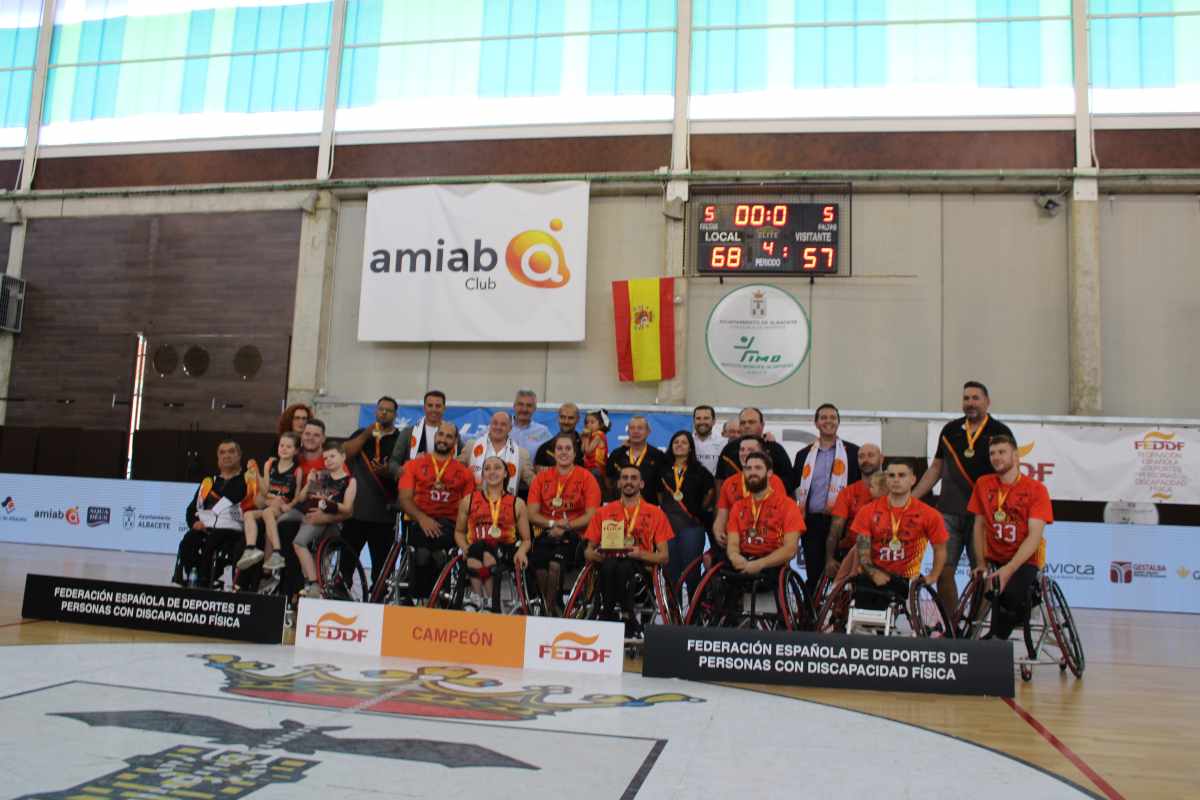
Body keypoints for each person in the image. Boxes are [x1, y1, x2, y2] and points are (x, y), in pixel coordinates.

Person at [913, 380, 1015, 613]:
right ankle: (951, 624)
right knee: (943, 568)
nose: (970, 403)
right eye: (966, 398)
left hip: (984, 514)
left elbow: (1010, 471)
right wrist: (912, 499)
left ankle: (975, 627)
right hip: (948, 511)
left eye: (975, 398)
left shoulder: (1000, 432)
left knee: (982, 571)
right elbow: (936, 469)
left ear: (987, 402)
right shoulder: (950, 430)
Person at [968, 435, 1053, 642]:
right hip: (995, 557)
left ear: (1016, 456)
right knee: (984, 594)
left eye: (1002, 452)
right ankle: (972, 639)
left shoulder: (1036, 489)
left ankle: (996, 639)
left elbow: (1035, 536)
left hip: (1025, 559)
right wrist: (980, 562)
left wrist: (1010, 569)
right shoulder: (983, 484)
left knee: (1009, 596)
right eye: (992, 453)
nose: (996, 457)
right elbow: (979, 526)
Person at [850, 459, 948, 617]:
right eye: (891, 475)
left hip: (907, 578)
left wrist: (933, 576)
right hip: (873, 573)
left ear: (913, 479)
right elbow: (862, 551)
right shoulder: (867, 511)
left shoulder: (929, 514)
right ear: (886, 479)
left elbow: (940, 548)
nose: (896, 480)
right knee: (863, 594)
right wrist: (873, 573)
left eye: (902, 475)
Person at [584, 465, 672, 636]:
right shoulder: (603, 512)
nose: (628, 482)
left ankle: (612, 613)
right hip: (608, 569)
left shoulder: (656, 513)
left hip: (639, 571)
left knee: (623, 566)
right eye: (624, 478)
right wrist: (600, 554)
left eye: (633, 478)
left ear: (642, 484)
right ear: (618, 484)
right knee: (611, 564)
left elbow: (664, 556)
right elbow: (588, 551)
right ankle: (619, 614)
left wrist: (641, 554)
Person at [397, 420, 475, 599]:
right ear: (435, 436)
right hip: (418, 520)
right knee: (423, 554)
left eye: (449, 436)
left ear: (455, 442)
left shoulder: (465, 473)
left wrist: (459, 531)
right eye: (441, 434)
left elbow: (467, 508)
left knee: (438, 554)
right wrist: (422, 519)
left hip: (448, 525)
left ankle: (438, 599)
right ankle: (420, 599)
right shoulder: (413, 465)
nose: (443, 439)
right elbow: (405, 498)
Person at [526, 433, 602, 615]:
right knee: (539, 566)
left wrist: (567, 526)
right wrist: (554, 524)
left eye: (568, 449)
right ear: (553, 453)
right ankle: (549, 607)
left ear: (575, 453)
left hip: (576, 534)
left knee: (554, 565)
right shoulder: (541, 478)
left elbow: (592, 515)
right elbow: (531, 513)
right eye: (559, 448)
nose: (563, 452)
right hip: (548, 532)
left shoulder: (587, 478)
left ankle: (550, 611)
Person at [794, 403, 862, 597]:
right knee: (814, 574)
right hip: (812, 522)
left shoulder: (852, 453)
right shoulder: (803, 455)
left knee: (842, 574)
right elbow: (796, 488)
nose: (828, 421)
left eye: (833, 417)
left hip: (843, 523)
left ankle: (839, 617)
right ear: (816, 423)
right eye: (823, 417)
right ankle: (813, 618)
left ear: (838, 422)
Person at [453, 456, 533, 611]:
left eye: (497, 467)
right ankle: (480, 598)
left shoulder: (517, 503)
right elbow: (458, 532)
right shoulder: (468, 500)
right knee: (478, 547)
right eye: (487, 468)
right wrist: (464, 548)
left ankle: (484, 600)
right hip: (475, 549)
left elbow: (527, 539)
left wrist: (522, 551)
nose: (492, 471)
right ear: (482, 474)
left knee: (483, 547)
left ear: (505, 473)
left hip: (504, 548)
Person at [341, 396, 403, 588]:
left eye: (389, 410)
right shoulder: (362, 433)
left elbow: (405, 471)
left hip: (384, 515)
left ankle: (379, 606)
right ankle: (341, 595)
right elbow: (344, 453)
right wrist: (366, 434)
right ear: (375, 412)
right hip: (355, 513)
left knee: (381, 570)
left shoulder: (400, 438)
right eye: (380, 409)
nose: (384, 413)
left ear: (395, 414)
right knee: (346, 566)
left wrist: (388, 472)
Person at [173, 440, 249, 588]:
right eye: (222, 452)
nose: (226, 455)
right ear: (217, 458)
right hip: (206, 528)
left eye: (231, 452)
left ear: (239, 456)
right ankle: (191, 579)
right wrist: (194, 523)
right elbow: (192, 509)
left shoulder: (246, 481)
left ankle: (205, 580)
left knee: (215, 541)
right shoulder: (209, 482)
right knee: (189, 540)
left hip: (232, 531)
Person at [725, 452, 805, 588]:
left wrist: (760, 564)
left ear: (769, 473)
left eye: (758, 468)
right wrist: (734, 557)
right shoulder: (738, 507)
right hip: (744, 559)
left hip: (773, 563)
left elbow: (790, 549)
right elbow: (732, 543)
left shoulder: (788, 505)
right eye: (748, 468)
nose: (752, 472)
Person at [292, 442, 357, 598]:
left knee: (299, 543)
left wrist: (328, 504)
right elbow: (303, 498)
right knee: (312, 550)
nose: (328, 460)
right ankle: (316, 584)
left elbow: (348, 509)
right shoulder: (321, 476)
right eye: (325, 457)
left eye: (332, 456)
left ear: (343, 457)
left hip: (333, 522)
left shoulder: (350, 481)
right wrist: (309, 483)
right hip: (314, 516)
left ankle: (313, 582)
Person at [656, 430, 715, 600]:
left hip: (692, 527)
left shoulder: (700, 471)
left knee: (692, 572)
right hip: (667, 528)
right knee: (670, 572)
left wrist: (696, 510)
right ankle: (674, 617)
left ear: (690, 448)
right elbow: (659, 496)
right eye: (676, 442)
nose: (679, 445)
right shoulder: (663, 470)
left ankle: (693, 618)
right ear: (671, 446)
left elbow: (709, 493)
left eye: (684, 442)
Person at [712, 436, 787, 560]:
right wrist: (718, 531)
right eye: (742, 449)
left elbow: (780, 517)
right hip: (734, 541)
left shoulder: (774, 481)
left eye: (750, 449)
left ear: (761, 453)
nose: (745, 453)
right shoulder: (729, 483)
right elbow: (721, 516)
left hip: (765, 544)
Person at [237, 432, 303, 573]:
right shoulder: (270, 464)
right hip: (270, 504)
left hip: (282, 507)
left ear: (296, 450)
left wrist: (289, 506)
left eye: (289, 447)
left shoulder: (298, 470)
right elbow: (265, 489)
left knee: (268, 512)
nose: (284, 449)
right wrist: (256, 473)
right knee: (248, 514)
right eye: (281, 445)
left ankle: (277, 553)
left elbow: (297, 495)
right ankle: (250, 549)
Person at [824, 449, 885, 580]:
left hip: (886, 550)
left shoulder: (894, 488)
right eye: (861, 456)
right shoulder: (848, 492)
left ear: (882, 459)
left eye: (870, 454)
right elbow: (836, 528)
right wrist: (829, 559)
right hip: (852, 549)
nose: (866, 460)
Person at [715, 407, 794, 493]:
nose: (747, 426)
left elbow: (789, 481)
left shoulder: (775, 449)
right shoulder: (729, 449)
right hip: (734, 504)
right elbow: (720, 479)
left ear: (762, 425)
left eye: (751, 422)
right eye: (743, 423)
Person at [462, 410, 533, 495]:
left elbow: (534, 482)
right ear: (490, 425)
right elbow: (455, 470)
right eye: (495, 423)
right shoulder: (471, 446)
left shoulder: (521, 454)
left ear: (510, 428)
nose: (498, 427)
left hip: (506, 505)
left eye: (503, 424)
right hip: (474, 504)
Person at [605, 415, 667, 502]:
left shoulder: (658, 456)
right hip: (621, 509)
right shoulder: (617, 454)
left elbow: (661, 489)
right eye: (632, 428)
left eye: (640, 428)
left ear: (648, 432)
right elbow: (608, 481)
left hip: (649, 509)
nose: (635, 431)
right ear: (628, 432)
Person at [390, 390, 447, 473]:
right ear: (424, 408)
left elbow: (462, 458)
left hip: (444, 483)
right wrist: (403, 471)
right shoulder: (408, 433)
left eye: (438, 406)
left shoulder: (452, 433)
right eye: (430, 405)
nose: (434, 409)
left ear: (444, 408)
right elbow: (393, 463)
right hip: (415, 483)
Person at [534, 402, 584, 470]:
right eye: (562, 417)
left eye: (571, 418)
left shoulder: (585, 447)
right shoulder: (544, 448)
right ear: (558, 418)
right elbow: (539, 474)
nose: (566, 422)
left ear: (578, 419)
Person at [510, 389, 551, 455]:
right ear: (514, 406)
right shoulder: (502, 428)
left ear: (534, 408)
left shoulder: (543, 431)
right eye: (521, 404)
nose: (524, 409)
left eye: (529, 405)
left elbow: (551, 455)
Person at [692, 405, 726, 475]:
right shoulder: (686, 442)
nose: (702, 422)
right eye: (698, 418)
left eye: (706, 418)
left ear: (713, 421)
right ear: (694, 421)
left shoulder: (724, 443)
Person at [581, 409, 610, 480]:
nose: (589, 425)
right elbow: (582, 450)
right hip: (588, 467)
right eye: (587, 423)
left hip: (596, 468)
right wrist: (583, 439)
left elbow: (588, 451)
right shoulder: (591, 435)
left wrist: (587, 438)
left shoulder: (599, 435)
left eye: (592, 422)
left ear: (600, 424)